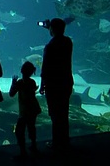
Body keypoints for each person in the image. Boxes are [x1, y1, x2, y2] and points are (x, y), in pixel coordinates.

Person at [38, 18, 73, 151]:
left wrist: (42, 85)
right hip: (66, 82)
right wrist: (52, 28)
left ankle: (56, 143)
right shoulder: (68, 42)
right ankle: (65, 142)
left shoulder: (50, 46)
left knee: (55, 115)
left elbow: (45, 68)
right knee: (63, 114)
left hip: (53, 84)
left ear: (51, 29)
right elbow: (59, 34)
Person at [9, 61, 42, 160]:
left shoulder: (20, 82)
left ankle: (23, 152)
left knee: (19, 131)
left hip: (25, 111)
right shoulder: (32, 82)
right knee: (31, 127)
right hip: (34, 109)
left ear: (21, 71)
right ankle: (33, 146)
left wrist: (13, 83)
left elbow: (11, 94)